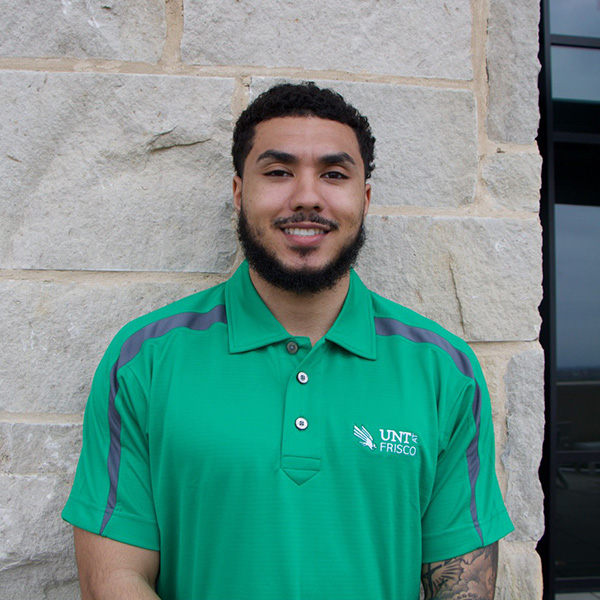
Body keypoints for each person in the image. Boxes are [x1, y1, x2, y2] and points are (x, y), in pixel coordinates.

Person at [62, 82, 513, 600]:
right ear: (238, 192)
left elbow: (463, 588)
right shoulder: (144, 360)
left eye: (334, 174)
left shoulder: (443, 372)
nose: (305, 196)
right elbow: (114, 579)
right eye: (278, 172)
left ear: (363, 200)